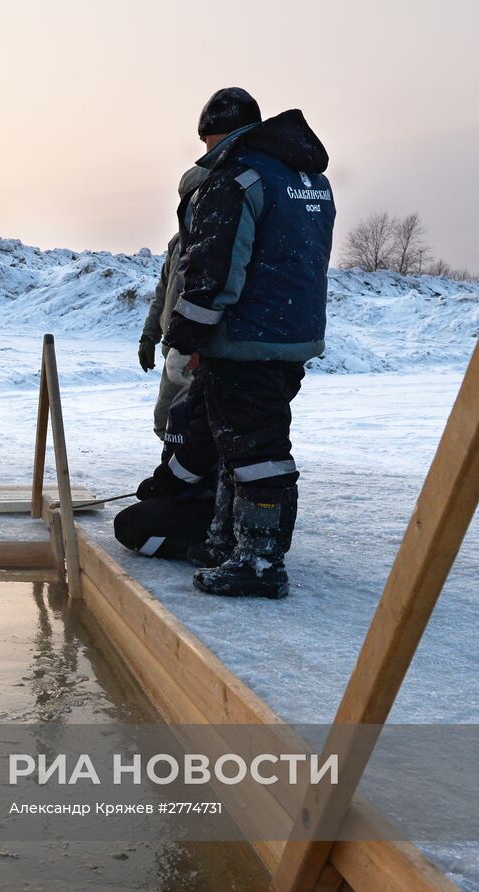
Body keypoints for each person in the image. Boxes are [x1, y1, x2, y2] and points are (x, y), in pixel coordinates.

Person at [161, 88, 336, 598]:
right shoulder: (309, 180)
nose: (203, 147)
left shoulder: (236, 178)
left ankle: (259, 561)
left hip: (246, 338)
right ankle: (227, 541)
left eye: (205, 136)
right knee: (236, 443)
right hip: (290, 334)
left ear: (220, 132)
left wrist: (184, 337)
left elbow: (213, 271)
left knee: (258, 451)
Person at [138, 162, 210, 441]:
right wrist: (149, 336)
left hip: (201, 350)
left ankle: (200, 480)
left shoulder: (217, 245)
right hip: (174, 348)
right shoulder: (177, 243)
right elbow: (162, 292)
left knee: (193, 423)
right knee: (165, 420)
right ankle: (177, 476)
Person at [113, 376, 218, 559]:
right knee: (136, 519)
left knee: (130, 529)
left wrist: (162, 483)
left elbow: (197, 458)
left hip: (220, 502)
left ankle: (211, 545)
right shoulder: (191, 392)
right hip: (194, 492)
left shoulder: (214, 394)